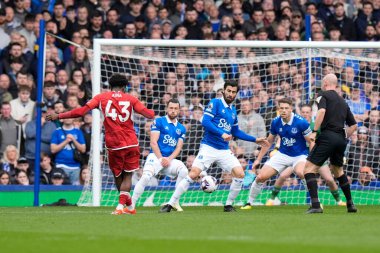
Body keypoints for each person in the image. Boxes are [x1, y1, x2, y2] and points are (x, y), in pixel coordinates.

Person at [46, 73, 155, 215]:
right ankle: (127, 205)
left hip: (113, 143)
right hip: (130, 142)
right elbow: (149, 114)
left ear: (110, 86)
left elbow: (81, 111)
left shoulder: (101, 98)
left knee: (118, 175)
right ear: (124, 87)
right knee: (127, 175)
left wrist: (59, 116)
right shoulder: (131, 99)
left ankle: (121, 207)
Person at [160, 81, 268, 212]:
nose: (231, 94)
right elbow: (205, 121)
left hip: (223, 150)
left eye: (233, 92)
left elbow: (235, 132)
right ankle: (170, 204)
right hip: (208, 147)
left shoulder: (233, 110)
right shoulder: (215, 103)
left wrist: (255, 139)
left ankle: (228, 205)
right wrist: (222, 133)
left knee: (240, 174)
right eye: (229, 91)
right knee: (193, 174)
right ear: (224, 90)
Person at [264, 104, 346, 206]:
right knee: (283, 175)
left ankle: (339, 201)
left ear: (311, 113)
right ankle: (272, 199)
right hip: (297, 156)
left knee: (329, 179)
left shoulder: (316, 126)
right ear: (300, 113)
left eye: (307, 112)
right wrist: (276, 148)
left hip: (315, 157)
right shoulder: (296, 123)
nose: (305, 114)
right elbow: (283, 137)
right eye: (303, 112)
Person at [240, 98, 315, 210]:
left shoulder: (301, 122)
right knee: (260, 177)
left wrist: (311, 160)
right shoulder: (276, 122)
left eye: (286, 108)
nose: (284, 110)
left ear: (291, 109)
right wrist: (258, 159)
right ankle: (249, 203)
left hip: (299, 155)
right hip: (282, 154)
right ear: (278, 109)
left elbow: (311, 141)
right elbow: (268, 142)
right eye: (281, 108)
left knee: (302, 173)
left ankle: (315, 202)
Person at [304, 73, 358, 214]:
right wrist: (342, 136)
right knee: (338, 171)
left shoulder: (323, 95)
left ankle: (316, 205)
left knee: (309, 169)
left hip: (327, 136)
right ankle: (350, 204)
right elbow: (354, 126)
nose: (321, 85)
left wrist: (315, 131)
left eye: (322, 82)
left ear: (326, 83)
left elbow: (321, 111)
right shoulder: (343, 101)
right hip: (341, 138)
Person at [131, 99, 188, 211]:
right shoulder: (159, 121)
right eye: (171, 108)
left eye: (176, 108)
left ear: (179, 110)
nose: (173, 111)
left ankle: (175, 201)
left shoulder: (181, 128)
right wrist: (161, 158)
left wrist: (169, 159)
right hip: (156, 157)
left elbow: (178, 147)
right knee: (146, 177)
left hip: (169, 160)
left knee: (184, 171)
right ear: (167, 109)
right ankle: (131, 204)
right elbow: (153, 142)